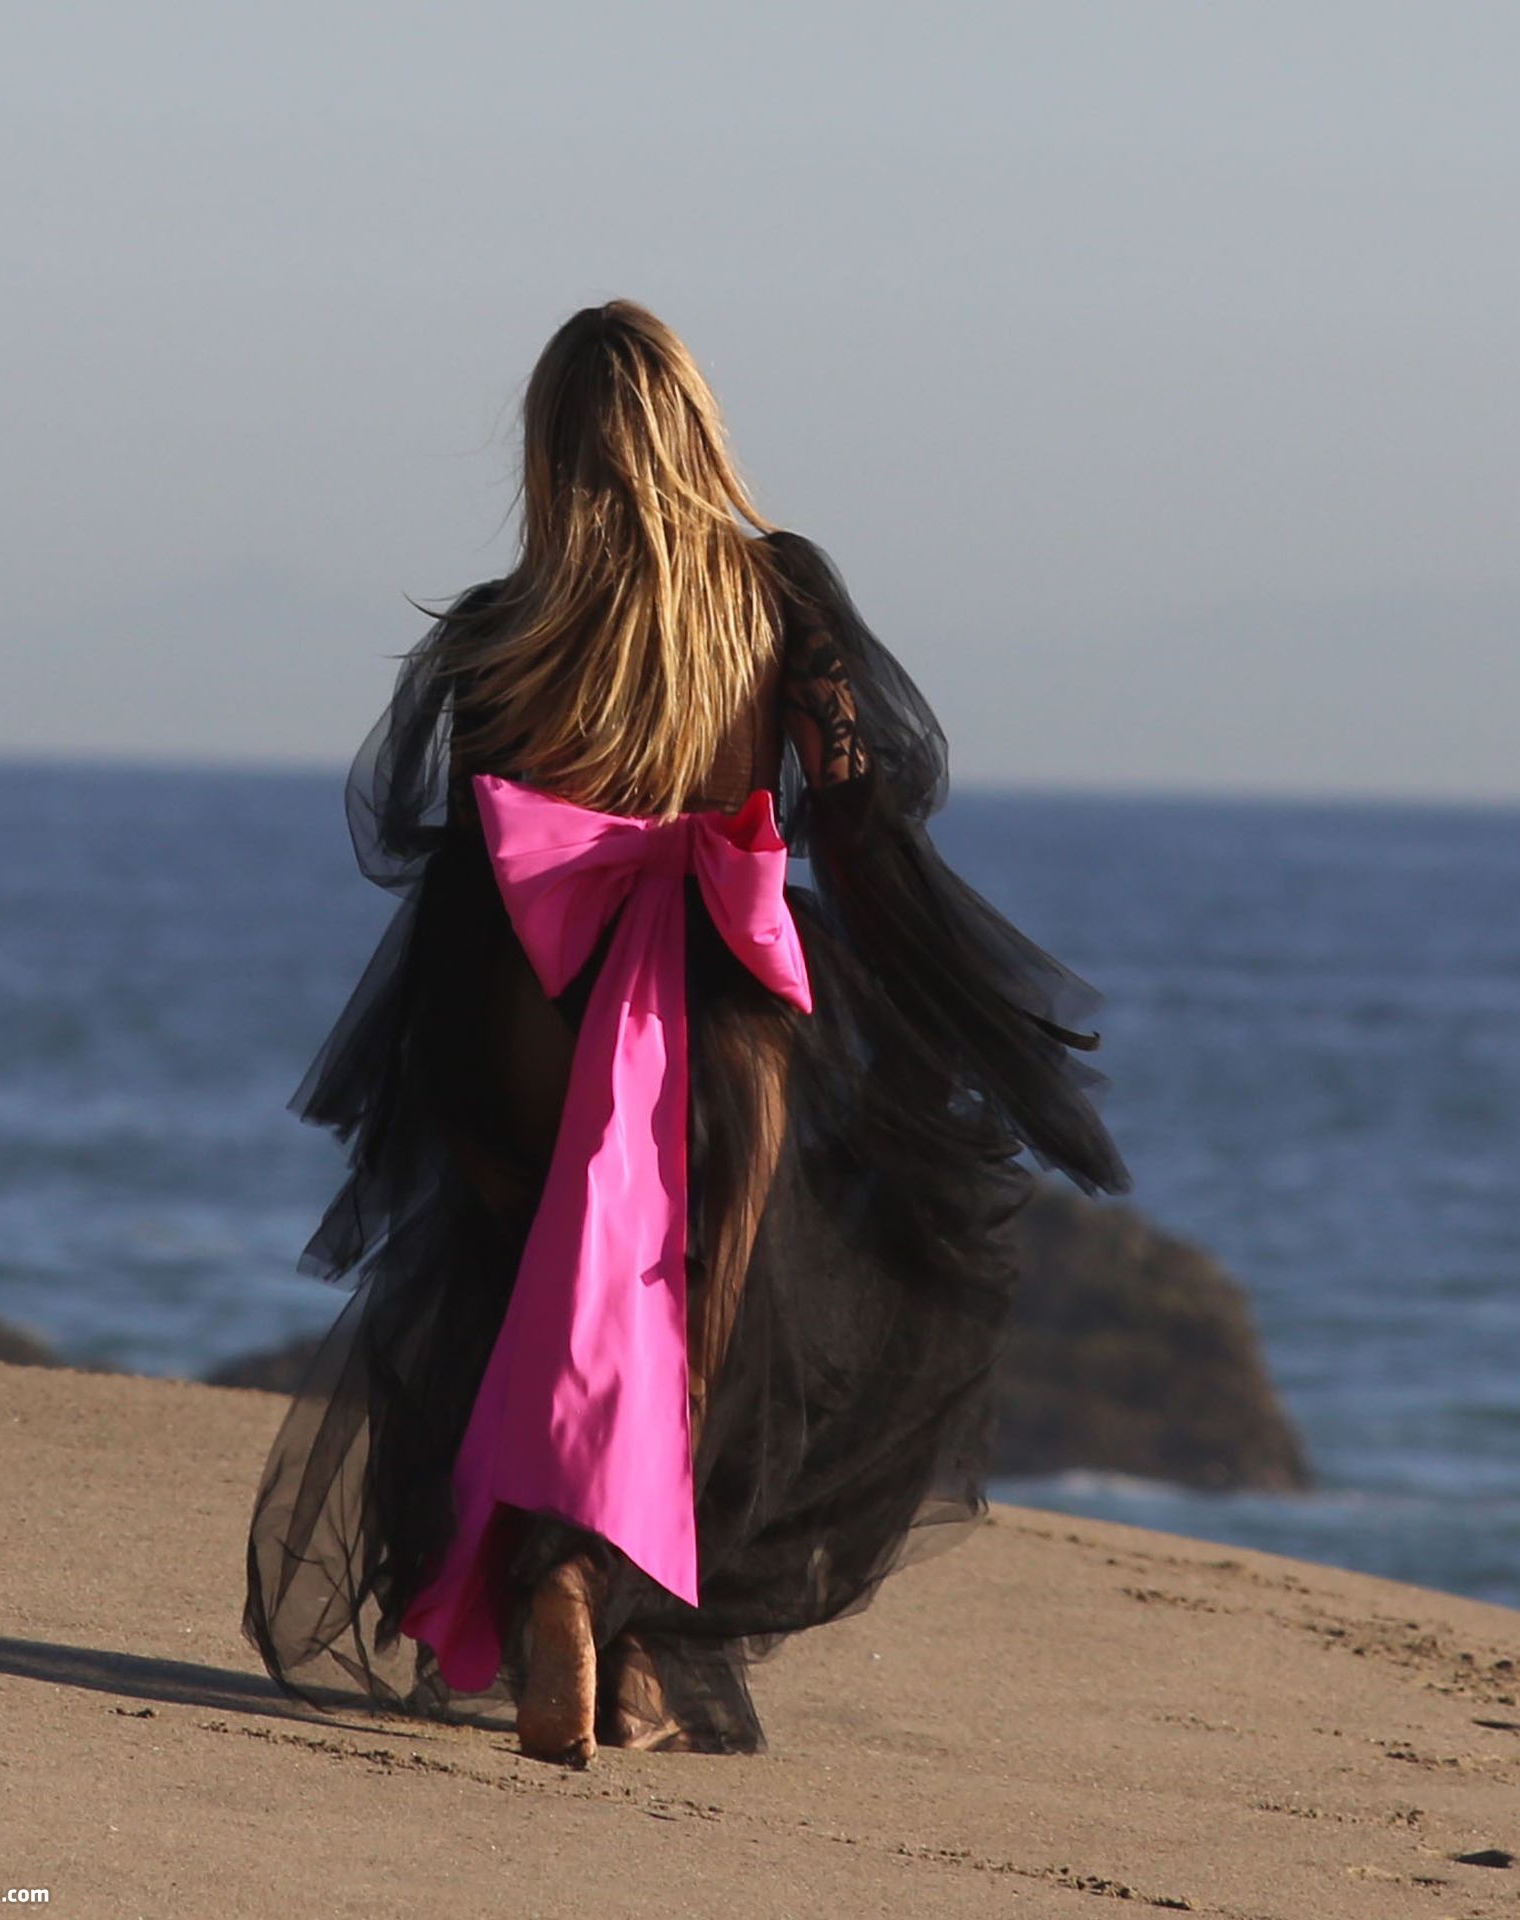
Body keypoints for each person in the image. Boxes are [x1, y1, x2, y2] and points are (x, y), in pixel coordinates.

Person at [241, 298, 1131, 1764]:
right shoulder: (777, 597)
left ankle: (558, 1591)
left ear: (546, 448)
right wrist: (942, 1012)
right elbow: (861, 812)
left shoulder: (501, 628)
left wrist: (441, 1079)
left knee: (530, 1309)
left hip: (533, 996)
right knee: (712, 1329)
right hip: (725, 1004)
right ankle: (620, 1625)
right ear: (696, 432)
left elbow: (462, 872)